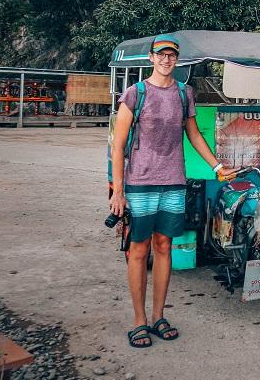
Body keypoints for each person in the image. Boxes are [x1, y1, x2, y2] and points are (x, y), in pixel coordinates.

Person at [109, 34, 223, 348]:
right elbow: (118, 146)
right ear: (151, 57)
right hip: (140, 183)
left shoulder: (185, 94)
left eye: (171, 55)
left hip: (173, 181)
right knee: (139, 249)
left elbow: (195, 135)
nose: (166, 59)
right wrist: (118, 191)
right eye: (161, 54)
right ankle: (138, 320)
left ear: (177, 59)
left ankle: (158, 316)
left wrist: (217, 166)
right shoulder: (136, 93)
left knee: (164, 247)